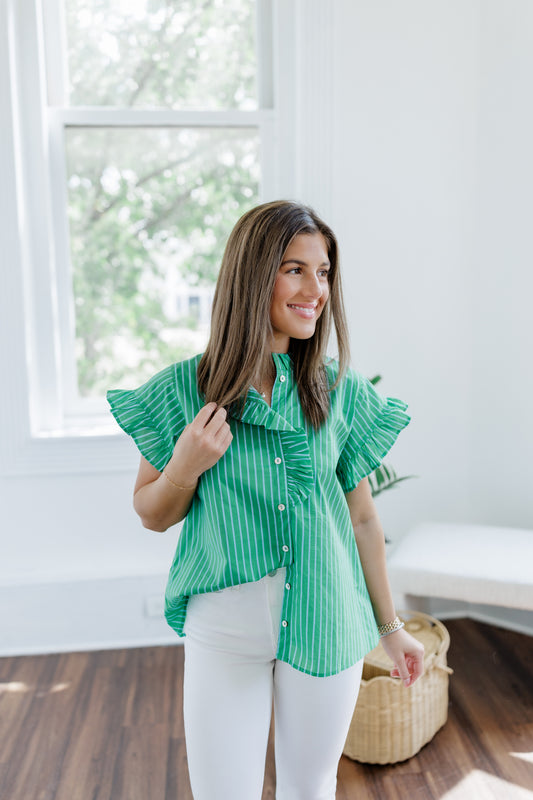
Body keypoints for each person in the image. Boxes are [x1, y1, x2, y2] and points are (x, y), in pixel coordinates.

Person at [107, 200, 425, 800]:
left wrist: (391, 630)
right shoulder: (182, 390)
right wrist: (186, 465)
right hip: (225, 628)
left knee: (311, 789)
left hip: (326, 619)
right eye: (294, 270)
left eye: (323, 272)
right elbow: (151, 514)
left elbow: (362, 519)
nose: (316, 290)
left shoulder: (337, 390)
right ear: (253, 276)